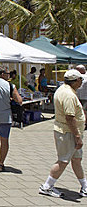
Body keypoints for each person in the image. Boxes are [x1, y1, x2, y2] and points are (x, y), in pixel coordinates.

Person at [39, 69, 87, 198]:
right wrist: (77, 136)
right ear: (76, 81)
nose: (82, 82)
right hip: (68, 132)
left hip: (69, 131)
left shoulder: (63, 90)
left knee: (76, 159)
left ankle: (85, 186)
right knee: (63, 160)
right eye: (81, 79)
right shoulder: (68, 95)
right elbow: (69, 117)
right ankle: (47, 186)